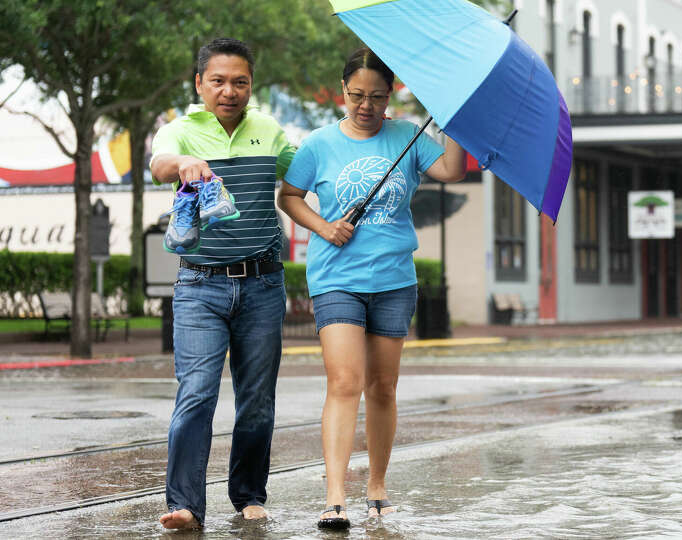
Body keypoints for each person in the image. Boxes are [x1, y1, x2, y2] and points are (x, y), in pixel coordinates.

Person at [278, 47, 466, 529]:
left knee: (383, 387)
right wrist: (323, 228)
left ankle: (377, 486)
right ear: (343, 91)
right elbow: (290, 196)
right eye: (357, 95)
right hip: (336, 277)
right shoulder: (318, 144)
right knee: (345, 382)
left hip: (394, 280)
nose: (366, 105)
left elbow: (452, 170)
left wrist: (453, 118)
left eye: (377, 97)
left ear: (391, 95)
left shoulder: (409, 136)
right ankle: (334, 496)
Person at [150, 37, 296, 530]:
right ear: (199, 84)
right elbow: (158, 164)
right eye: (218, 81)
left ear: (251, 85)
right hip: (199, 286)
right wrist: (184, 165)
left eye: (240, 82)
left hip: (262, 286)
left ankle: (249, 494)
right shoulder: (181, 131)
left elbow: (307, 171)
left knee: (257, 399)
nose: (229, 91)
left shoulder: (269, 130)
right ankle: (185, 504)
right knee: (197, 393)